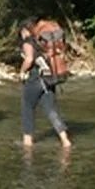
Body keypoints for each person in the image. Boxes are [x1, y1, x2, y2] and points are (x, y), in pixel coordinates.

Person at [19, 18, 71, 148]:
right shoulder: (43, 42)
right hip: (50, 78)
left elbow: (29, 59)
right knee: (51, 110)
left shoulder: (28, 42)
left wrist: (21, 72)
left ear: (25, 30)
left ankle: (27, 142)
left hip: (35, 78)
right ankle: (65, 141)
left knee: (28, 107)